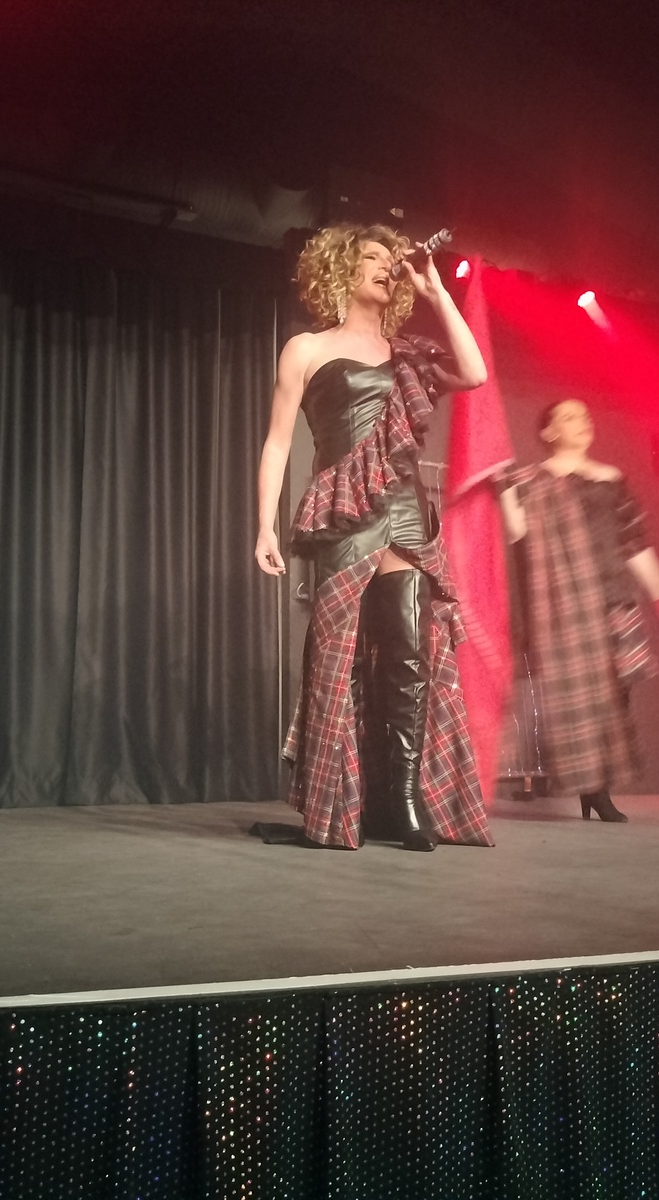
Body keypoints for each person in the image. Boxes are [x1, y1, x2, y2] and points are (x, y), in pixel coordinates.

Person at [254, 225, 495, 851]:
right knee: (338, 657)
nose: (387, 267)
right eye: (372, 257)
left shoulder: (408, 353)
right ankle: (337, 803)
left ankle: (405, 799)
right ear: (342, 269)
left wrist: (437, 292)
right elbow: (277, 442)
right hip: (344, 509)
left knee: (412, 652)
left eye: (392, 259)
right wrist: (264, 525)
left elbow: (474, 373)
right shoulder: (306, 348)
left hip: (405, 507)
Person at [499, 399, 659, 822]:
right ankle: (594, 791)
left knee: (617, 693)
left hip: (613, 596)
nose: (582, 421)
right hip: (566, 606)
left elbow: (633, 542)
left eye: (585, 415)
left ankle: (597, 786)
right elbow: (516, 532)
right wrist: (504, 488)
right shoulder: (527, 481)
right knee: (582, 698)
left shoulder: (611, 479)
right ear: (548, 432)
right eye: (569, 417)